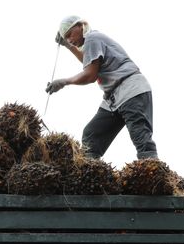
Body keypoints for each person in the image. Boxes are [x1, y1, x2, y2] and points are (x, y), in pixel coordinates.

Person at [45, 16, 158, 160]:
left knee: (140, 136)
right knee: (91, 135)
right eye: (66, 38)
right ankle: (89, 174)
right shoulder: (91, 43)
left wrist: (64, 82)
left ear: (80, 26)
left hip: (131, 90)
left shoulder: (92, 38)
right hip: (113, 99)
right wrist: (69, 47)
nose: (69, 39)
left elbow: (90, 74)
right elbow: (89, 61)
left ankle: (153, 174)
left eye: (69, 34)